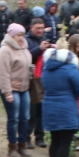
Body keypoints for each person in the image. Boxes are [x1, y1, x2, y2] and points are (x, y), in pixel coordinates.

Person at [41, 47, 79, 157]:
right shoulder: (70, 69)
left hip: (49, 108)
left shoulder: (46, 69)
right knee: (65, 142)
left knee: (55, 140)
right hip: (66, 109)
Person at [0, 23, 32, 157]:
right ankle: (12, 146)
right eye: (18, 35)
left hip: (24, 87)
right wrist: (7, 92)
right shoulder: (5, 51)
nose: (21, 38)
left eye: (22, 35)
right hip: (11, 88)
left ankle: (23, 145)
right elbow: (3, 73)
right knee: (14, 118)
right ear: (11, 36)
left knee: (25, 117)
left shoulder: (24, 48)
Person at [25, 18, 49, 149]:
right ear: (31, 28)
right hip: (30, 79)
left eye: (42, 28)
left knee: (42, 109)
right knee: (31, 110)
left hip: (43, 78)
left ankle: (40, 137)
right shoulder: (26, 40)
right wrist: (39, 49)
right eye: (37, 28)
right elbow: (26, 56)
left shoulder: (44, 38)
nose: (40, 31)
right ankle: (26, 137)